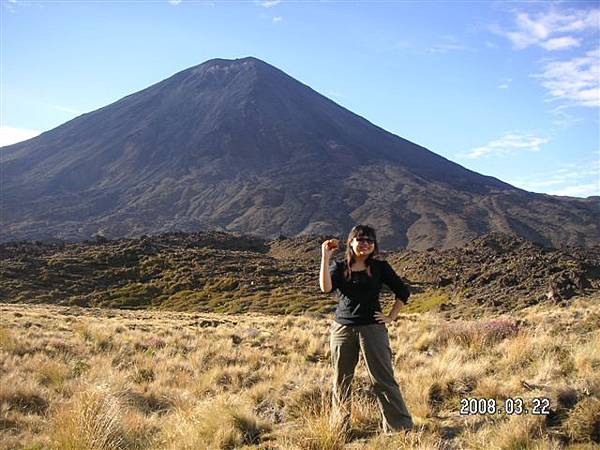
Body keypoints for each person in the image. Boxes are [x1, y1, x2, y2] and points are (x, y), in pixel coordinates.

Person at [319, 224, 413, 434]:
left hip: (373, 329)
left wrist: (391, 316)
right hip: (343, 329)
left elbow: (402, 292)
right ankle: (340, 428)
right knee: (341, 380)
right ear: (351, 242)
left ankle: (400, 428)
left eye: (370, 241)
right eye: (361, 239)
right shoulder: (340, 266)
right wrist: (325, 257)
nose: (365, 244)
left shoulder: (380, 267)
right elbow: (325, 288)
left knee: (383, 379)